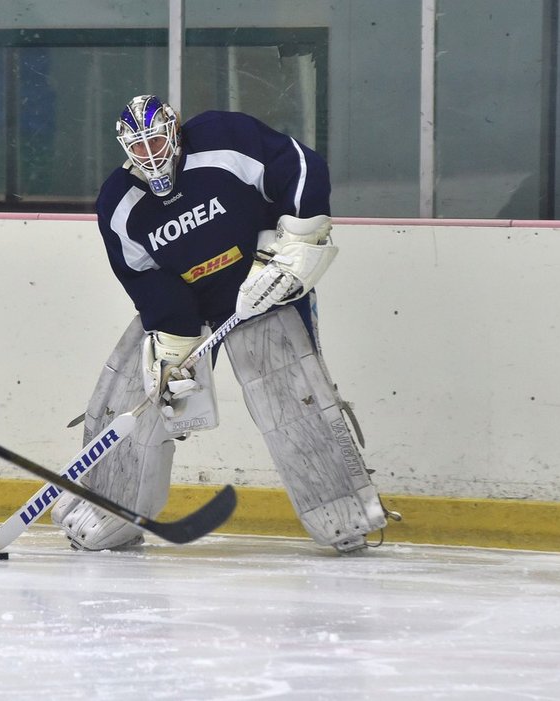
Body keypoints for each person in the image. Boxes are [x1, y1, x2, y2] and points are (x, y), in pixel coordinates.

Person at [52, 95, 391, 553]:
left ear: (174, 131)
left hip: (261, 286)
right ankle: (109, 512)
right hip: (187, 305)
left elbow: (299, 164)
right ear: (124, 148)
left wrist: (297, 241)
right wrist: (173, 346)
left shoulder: (222, 139)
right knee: (137, 397)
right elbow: (143, 276)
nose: (151, 153)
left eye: (156, 139)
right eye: (139, 145)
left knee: (295, 398)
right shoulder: (119, 203)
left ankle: (346, 516)